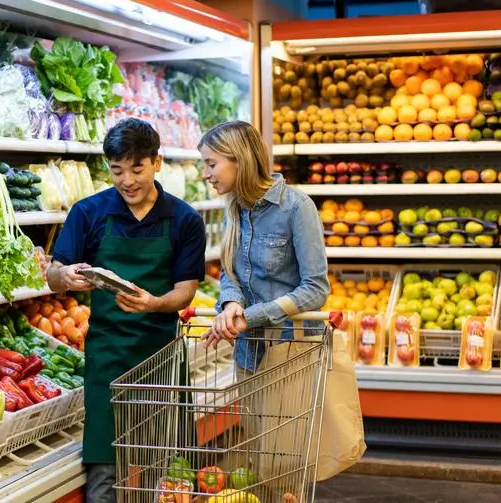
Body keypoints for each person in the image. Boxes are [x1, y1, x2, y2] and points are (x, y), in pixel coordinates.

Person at [46, 118, 207, 503]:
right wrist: (66, 276)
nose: (127, 180)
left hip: (162, 355)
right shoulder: (89, 213)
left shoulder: (184, 219)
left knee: (169, 467)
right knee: (105, 467)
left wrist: (154, 303)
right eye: (117, 170)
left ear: (156, 162)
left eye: (137, 168)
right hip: (108, 357)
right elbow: (53, 275)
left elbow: (186, 291)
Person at [199, 120, 328, 368]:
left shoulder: (296, 207)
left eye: (211, 164)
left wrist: (252, 317)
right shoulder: (233, 209)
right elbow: (230, 273)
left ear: (239, 159)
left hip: (293, 352)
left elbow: (316, 288)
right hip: (248, 352)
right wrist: (231, 304)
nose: (206, 175)